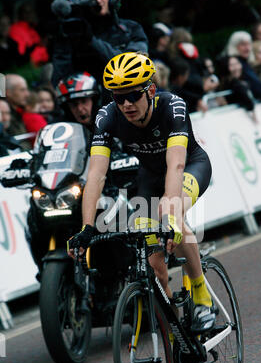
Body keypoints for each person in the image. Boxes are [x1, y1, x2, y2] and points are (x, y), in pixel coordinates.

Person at [67, 52, 216, 343]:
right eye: (117, 97)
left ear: (150, 90)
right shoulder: (107, 117)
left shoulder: (172, 106)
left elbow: (176, 164)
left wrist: (171, 217)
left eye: (133, 95)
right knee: (153, 261)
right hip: (149, 179)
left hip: (190, 168)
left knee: (169, 213)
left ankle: (201, 295)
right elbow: (96, 174)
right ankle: (177, 327)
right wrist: (86, 227)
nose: (125, 104)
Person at [51, 0, 148, 104]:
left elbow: (132, 66)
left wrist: (92, 41)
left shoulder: (130, 29)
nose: (97, 0)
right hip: (85, 106)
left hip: (124, 102)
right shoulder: (72, 31)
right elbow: (59, 79)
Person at [223, 30, 261, 106]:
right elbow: (255, 85)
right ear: (234, 46)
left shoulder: (244, 61)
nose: (247, 48)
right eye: (243, 45)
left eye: (248, 44)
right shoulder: (237, 62)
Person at [5, 73, 31, 150]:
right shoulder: (5, 117)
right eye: (22, 90)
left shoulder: (18, 112)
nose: (27, 94)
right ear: (8, 93)